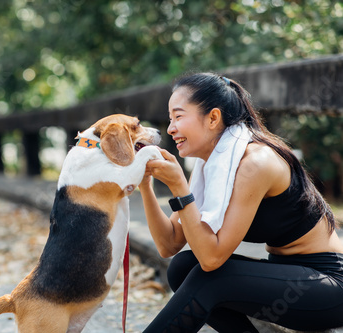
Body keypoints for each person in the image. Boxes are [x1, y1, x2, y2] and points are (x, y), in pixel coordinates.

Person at [139, 72, 343, 333]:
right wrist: (144, 184)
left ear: (213, 118)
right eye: (170, 119)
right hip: (286, 275)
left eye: (178, 117)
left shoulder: (255, 162)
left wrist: (179, 186)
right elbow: (169, 245)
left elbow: (212, 259)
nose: (170, 129)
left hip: (327, 286)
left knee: (212, 277)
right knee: (181, 267)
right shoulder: (208, 163)